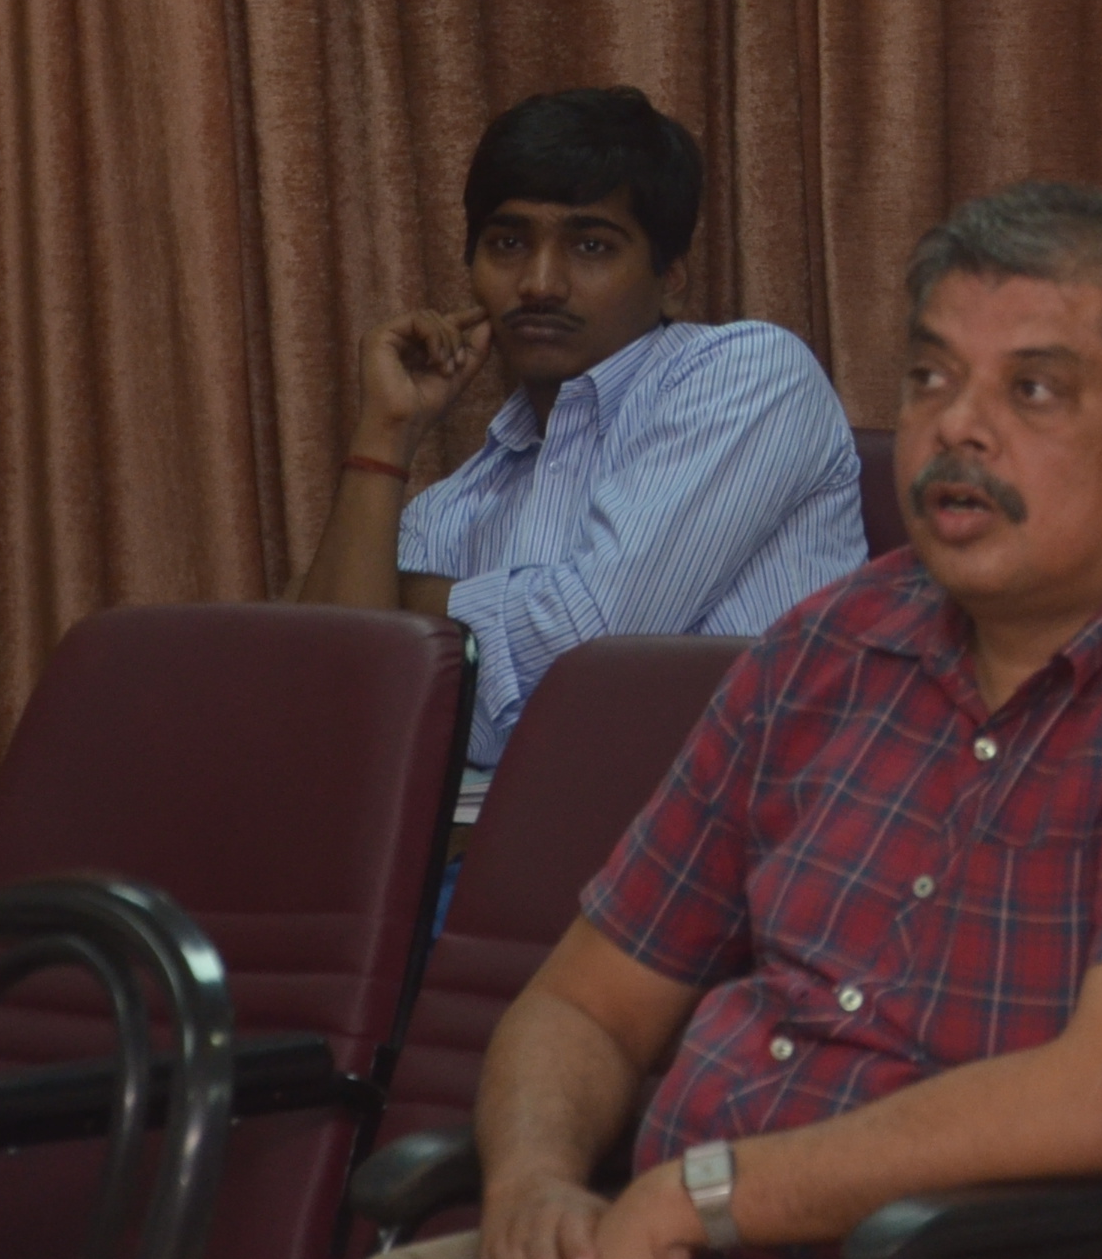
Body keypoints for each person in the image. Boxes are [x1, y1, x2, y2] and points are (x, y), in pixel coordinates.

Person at [379, 183, 1102, 1259]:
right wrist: (535, 1183)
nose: (957, 425)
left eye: (1033, 389)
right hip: (668, 1236)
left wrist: (703, 1199)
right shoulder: (835, 638)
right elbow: (586, 1004)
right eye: (930, 378)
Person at [297, 88, 864, 770]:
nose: (539, 283)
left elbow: (591, 643)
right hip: (508, 835)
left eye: (591, 245)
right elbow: (329, 695)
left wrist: (402, 604)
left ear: (671, 276)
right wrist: (386, 432)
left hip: (758, 828)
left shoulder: (750, 375)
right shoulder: (458, 504)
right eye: (508, 243)